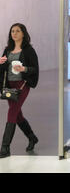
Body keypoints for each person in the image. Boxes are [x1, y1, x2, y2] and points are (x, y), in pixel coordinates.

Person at [0, 23, 39, 158]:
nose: (14, 33)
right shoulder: (7, 50)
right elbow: (3, 68)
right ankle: (32, 137)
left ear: (23, 33)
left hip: (22, 85)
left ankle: (5, 148)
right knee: (17, 115)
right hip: (9, 85)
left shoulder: (28, 50)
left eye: (17, 31)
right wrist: (0, 63)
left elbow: (35, 68)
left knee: (12, 113)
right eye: (12, 31)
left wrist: (24, 69)